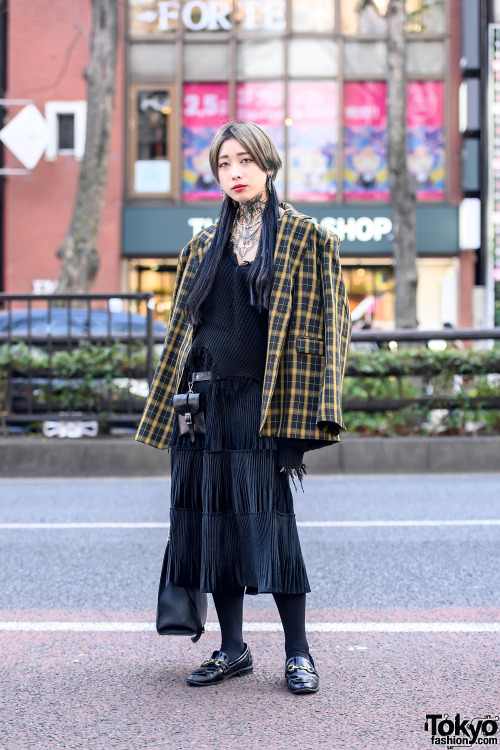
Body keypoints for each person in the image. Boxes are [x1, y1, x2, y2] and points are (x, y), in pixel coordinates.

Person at [136, 121, 351, 694]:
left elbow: (333, 333)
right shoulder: (200, 248)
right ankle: (232, 650)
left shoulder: (308, 240)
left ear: (268, 165)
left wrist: (307, 418)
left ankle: (298, 653)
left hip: (264, 405)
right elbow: (185, 333)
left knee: (272, 528)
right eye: (224, 163)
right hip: (203, 406)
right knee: (214, 531)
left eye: (245, 160)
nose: (234, 171)